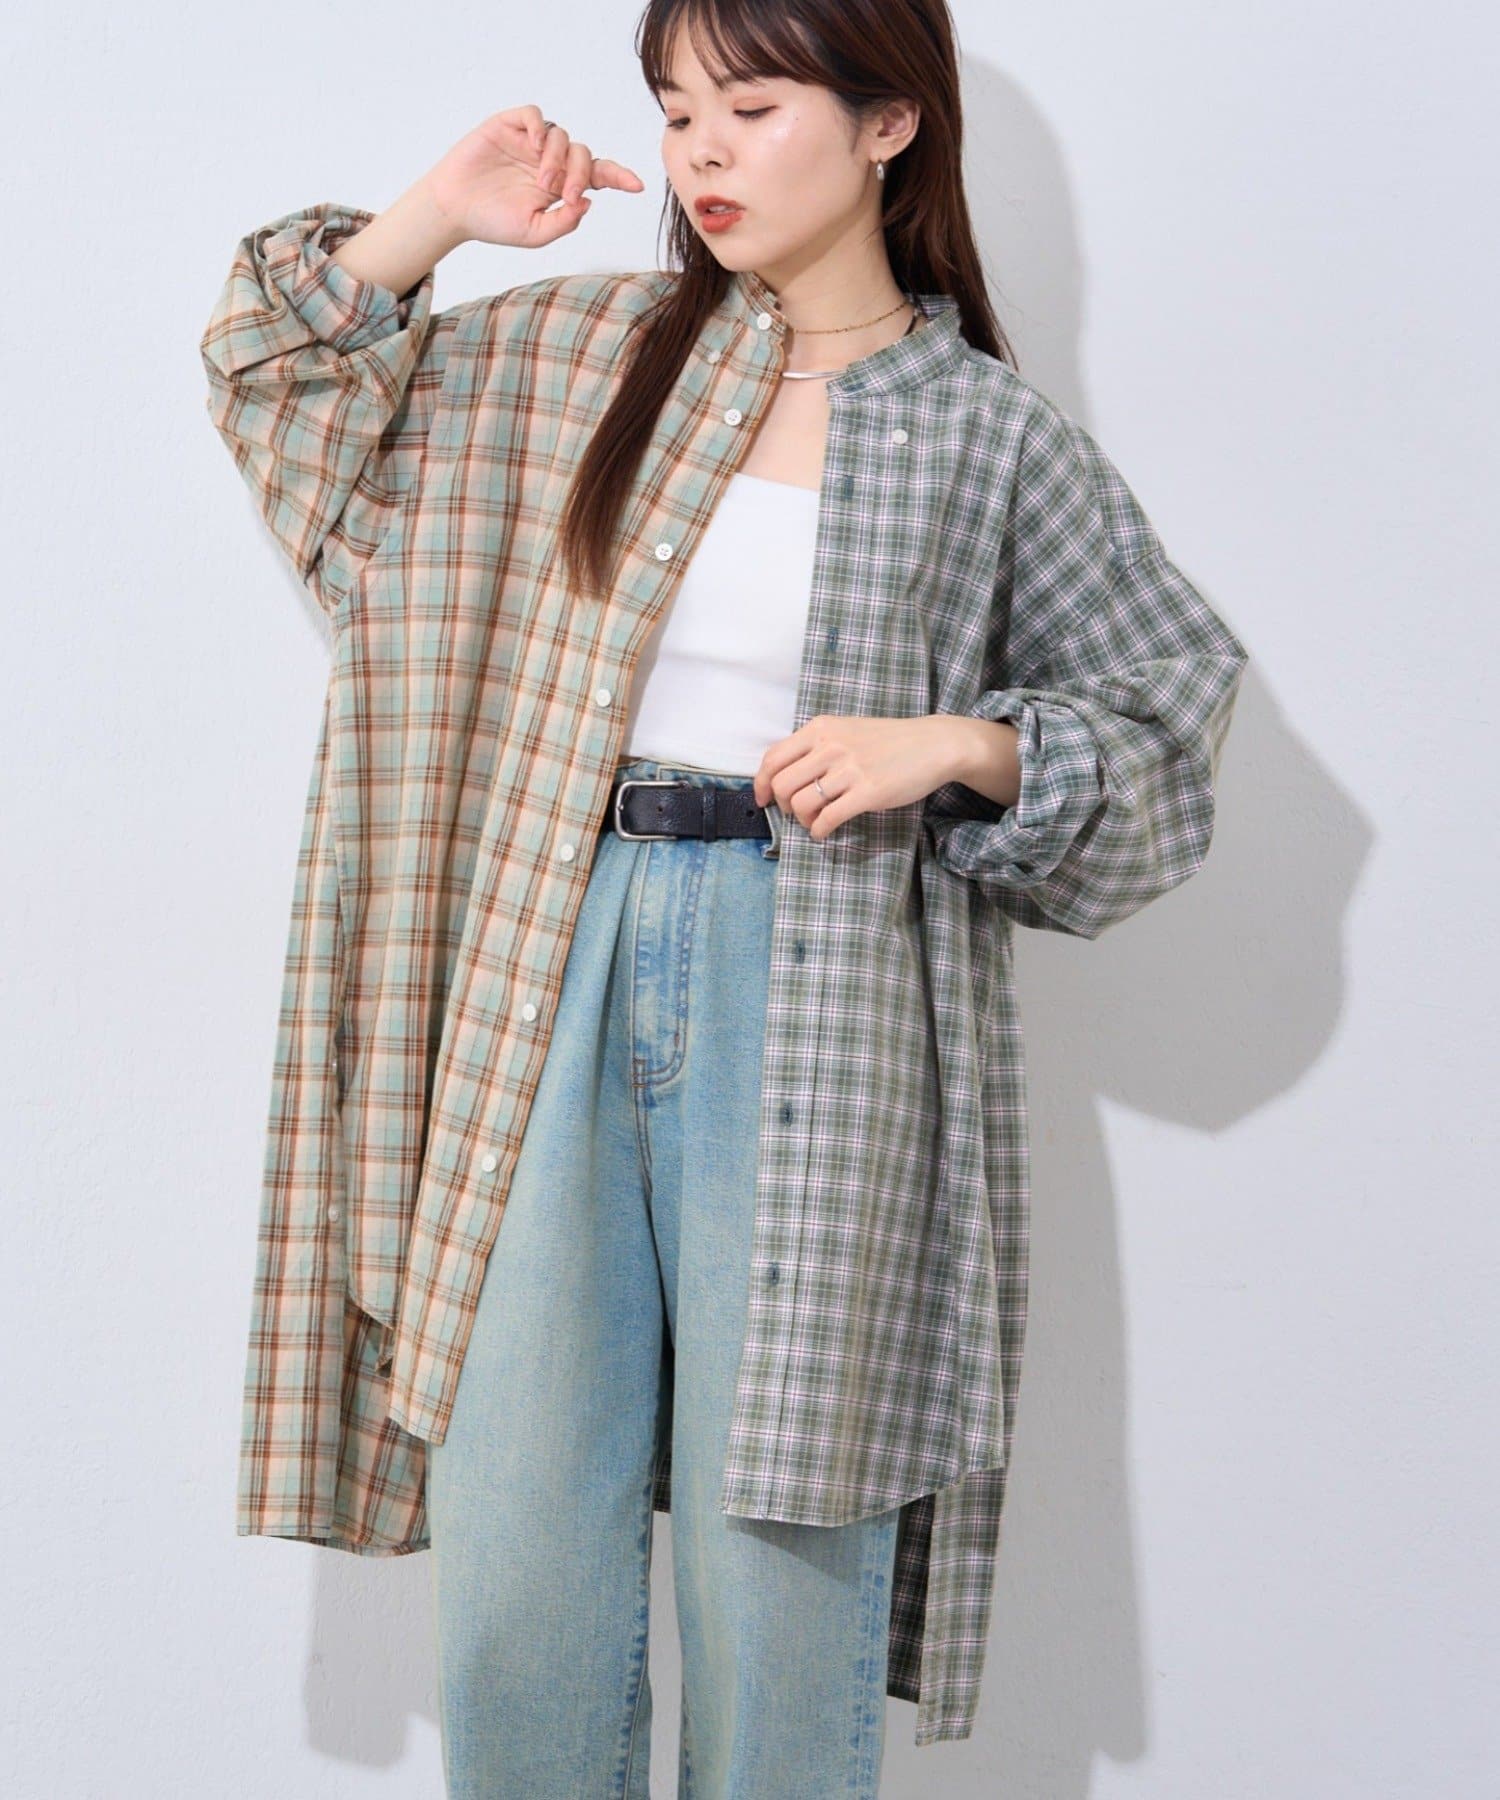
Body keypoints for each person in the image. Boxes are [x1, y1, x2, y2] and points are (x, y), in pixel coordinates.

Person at [199, 1, 1250, 1792]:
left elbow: (1168, 728)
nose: (700, 150)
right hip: (548, 949)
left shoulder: (986, 438)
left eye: (750, 107)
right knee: (521, 1526)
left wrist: (964, 746)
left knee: (785, 1545)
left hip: (818, 981)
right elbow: (279, 387)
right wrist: (435, 218)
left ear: (889, 124)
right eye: (676, 109)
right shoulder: (576, 354)